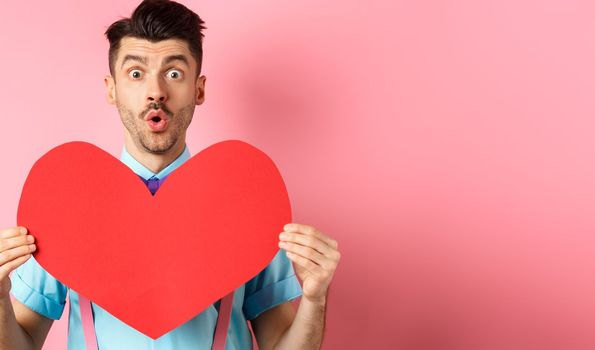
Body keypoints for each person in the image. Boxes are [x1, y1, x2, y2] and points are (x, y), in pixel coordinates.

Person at [0, 0, 341, 349]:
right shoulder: (66, 205)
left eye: (174, 73)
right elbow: (21, 343)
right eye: (136, 74)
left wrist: (315, 301)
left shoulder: (248, 204)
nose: (156, 92)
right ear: (111, 89)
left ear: (199, 89)